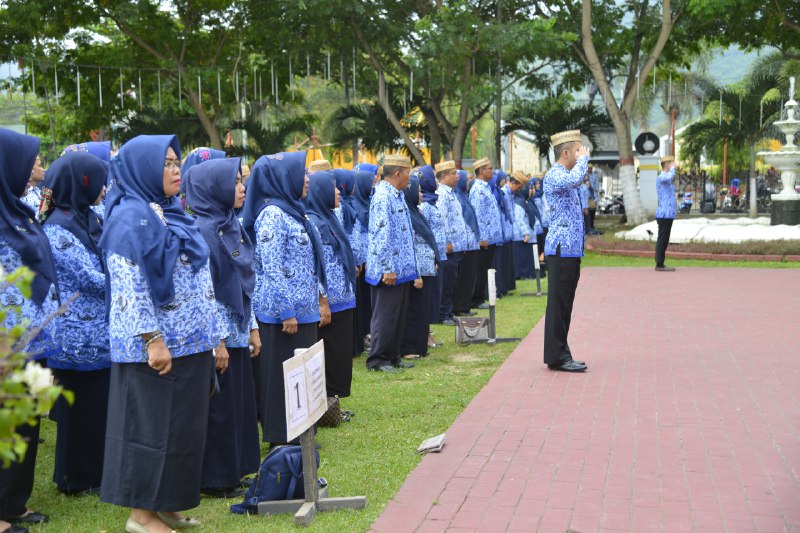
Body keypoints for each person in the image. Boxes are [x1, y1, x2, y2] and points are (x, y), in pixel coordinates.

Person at [98, 135, 221, 533]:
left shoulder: (171, 211)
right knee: (150, 430)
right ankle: (141, 516)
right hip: (154, 345)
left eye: (177, 162)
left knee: (183, 426)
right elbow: (129, 282)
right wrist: (152, 338)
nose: (174, 170)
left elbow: (201, 279)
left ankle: (169, 504)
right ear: (144, 168)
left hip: (190, 341)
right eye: (166, 163)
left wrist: (213, 334)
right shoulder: (128, 217)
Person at [183, 157, 261, 498]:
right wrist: (216, 341)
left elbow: (246, 283)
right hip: (219, 338)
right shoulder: (200, 232)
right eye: (235, 183)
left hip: (239, 332)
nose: (242, 188)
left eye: (242, 182)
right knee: (219, 408)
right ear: (214, 188)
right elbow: (204, 295)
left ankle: (236, 469)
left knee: (238, 404)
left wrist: (254, 328)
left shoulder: (231, 224)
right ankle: (215, 478)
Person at [240, 151, 328, 445]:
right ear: (283, 178)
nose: (306, 180)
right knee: (283, 378)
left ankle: (303, 431)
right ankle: (282, 435)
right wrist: (286, 310)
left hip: (304, 311)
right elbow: (271, 268)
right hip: (283, 316)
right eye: (300, 173)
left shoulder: (294, 211)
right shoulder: (273, 216)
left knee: (304, 374)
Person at [39, 151, 111, 496]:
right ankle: (71, 477)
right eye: (97, 180)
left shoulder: (89, 217)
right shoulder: (58, 228)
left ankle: (95, 473)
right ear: (80, 183)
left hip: (99, 332)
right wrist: (125, 278)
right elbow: (88, 276)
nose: (103, 187)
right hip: (75, 335)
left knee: (97, 406)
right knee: (76, 409)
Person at [0, 128, 60, 533]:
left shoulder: (16, 210)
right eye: (24, 162)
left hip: (32, 340)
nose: (31, 170)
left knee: (26, 423)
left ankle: (14, 504)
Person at [305, 169, 357, 404]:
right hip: (329, 301)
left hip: (343, 297)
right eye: (332, 187)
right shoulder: (314, 222)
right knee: (331, 354)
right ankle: (327, 403)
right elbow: (313, 266)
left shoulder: (330, 217)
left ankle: (335, 401)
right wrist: (321, 299)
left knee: (340, 354)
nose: (337, 192)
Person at [364, 155, 418, 373]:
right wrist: (387, 267)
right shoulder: (383, 196)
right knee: (385, 316)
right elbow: (381, 234)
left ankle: (393, 355)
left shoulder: (398, 195)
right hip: (389, 269)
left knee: (397, 314)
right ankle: (378, 359)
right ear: (398, 174)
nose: (410, 179)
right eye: (408, 174)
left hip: (402, 267)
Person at [542, 130, 590, 373]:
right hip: (561, 248)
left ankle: (560, 352)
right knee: (559, 304)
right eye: (578, 150)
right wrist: (584, 160)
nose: (581, 153)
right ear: (566, 153)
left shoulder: (567, 175)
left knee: (565, 303)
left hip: (570, 249)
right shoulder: (555, 175)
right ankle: (557, 356)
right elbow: (575, 179)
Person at [400, 171, 444, 358]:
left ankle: (420, 345)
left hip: (426, 267)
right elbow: (409, 246)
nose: (420, 195)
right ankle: (409, 347)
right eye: (417, 191)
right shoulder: (407, 215)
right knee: (413, 311)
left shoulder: (416, 212)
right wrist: (416, 273)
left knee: (422, 309)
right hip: (416, 270)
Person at [434, 161, 467, 325]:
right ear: (444, 176)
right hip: (449, 247)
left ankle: (449, 311)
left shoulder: (452, 193)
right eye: (454, 173)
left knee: (452, 281)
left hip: (457, 246)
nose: (457, 176)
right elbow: (442, 221)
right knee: (446, 282)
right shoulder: (441, 194)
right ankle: (443, 314)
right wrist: (446, 242)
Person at [469, 158, 503, 310]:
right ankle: (476, 299)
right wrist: (482, 237)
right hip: (485, 239)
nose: (493, 171)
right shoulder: (478, 189)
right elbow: (478, 215)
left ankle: (480, 296)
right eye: (490, 168)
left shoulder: (486, 187)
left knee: (486, 268)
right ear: (482, 171)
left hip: (491, 236)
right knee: (481, 269)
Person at [352, 165, 376, 353]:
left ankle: (370, 333)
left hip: (370, 261)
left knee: (369, 300)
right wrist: (360, 259)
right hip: (361, 262)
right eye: (371, 179)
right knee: (363, 301)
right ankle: (364, 335)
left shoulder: (369, 201)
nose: (374, 182)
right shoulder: (354, 206)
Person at [453, 170, 481, 318]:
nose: (469, 182)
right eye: (467, 180)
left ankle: (466, 305)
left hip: (471, 243)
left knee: (470, 276)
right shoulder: (457, 197)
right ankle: (460, 307)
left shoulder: (464, 196)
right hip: (465, 244)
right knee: (463, 277)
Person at [509, 171, 534, 279]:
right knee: (520, 257)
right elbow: (519, 219)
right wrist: (526, 233)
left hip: (520, 234)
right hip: (519, 235)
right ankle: (521, 274)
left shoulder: (522, 200)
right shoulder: (519, 202)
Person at [655, 156, 678, 272]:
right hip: (664, 213)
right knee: (662, 238)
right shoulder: (662, 177)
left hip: (668, 214)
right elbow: (669, 178)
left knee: (665, 239)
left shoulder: (667, 178)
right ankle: (659, 264)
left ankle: (660, 262)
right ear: (667, 164)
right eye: (672, 163)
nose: (674, 165)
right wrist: (673, 169)